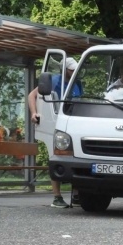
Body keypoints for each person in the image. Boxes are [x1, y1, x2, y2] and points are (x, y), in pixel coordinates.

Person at [28, 57, 83, 208]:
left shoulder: (77, 82)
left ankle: (78, 194)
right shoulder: (53, 81)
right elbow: (31, 96)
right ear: (65, 70)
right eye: (72, 70)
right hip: (56, 122)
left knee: (78, 158)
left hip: (73, 124)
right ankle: (57, 197)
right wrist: (35, 114)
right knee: (57, 157)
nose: (74, 72)